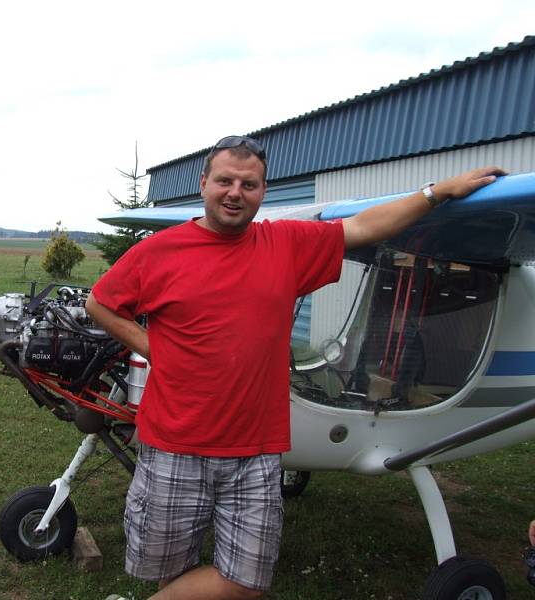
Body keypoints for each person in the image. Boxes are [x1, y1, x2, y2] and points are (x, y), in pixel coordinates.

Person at [88, 135, 505, 600]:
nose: (235, 193)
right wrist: (152, 345)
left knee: (245, 585)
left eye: (249, 184)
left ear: (263, 192)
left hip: (255, 451)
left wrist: (436, 193)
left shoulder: (284, 243)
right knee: (174, 572)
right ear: (204, 183)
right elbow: (101, 303)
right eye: (224, 180)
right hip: (174, 443)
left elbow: (364, 228)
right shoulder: (159, 252)